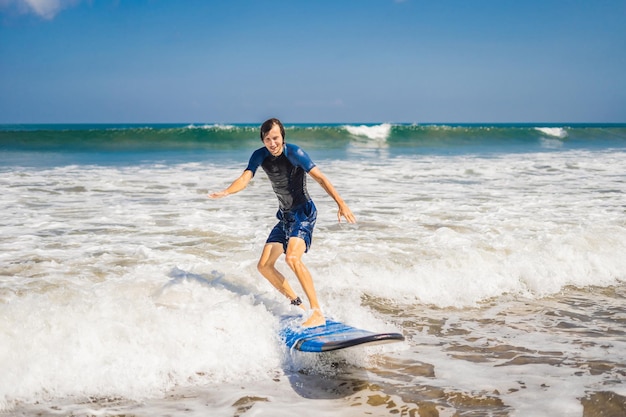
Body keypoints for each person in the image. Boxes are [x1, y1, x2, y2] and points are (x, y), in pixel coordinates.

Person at [209, 118, 356, 327]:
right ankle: (299, 306)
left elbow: (321, 178)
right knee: (264, 266)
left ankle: (317, 312)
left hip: (303, 213)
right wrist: (226, 191)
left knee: (292, 259)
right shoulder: (259, 155)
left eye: (275, 138)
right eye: (267, 139)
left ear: (282, 137)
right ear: (263, 140)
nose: (272, 143)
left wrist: (341, 203)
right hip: (285, 217)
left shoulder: (295, 153)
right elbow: (245, 178)